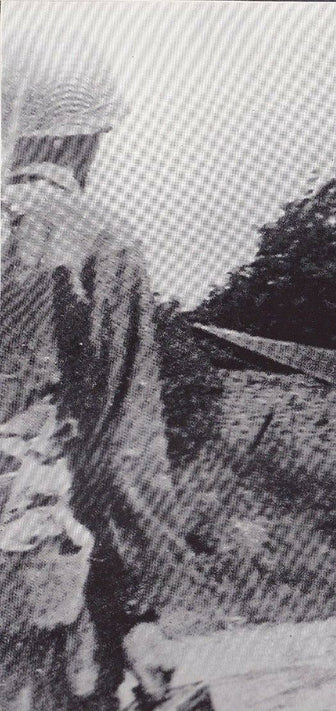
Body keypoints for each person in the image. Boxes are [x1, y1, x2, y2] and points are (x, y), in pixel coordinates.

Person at [1, 33, 184, 710]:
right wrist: (140, 611)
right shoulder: (97, 243)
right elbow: (124, 449)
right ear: (88, 137)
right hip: (34, 593)